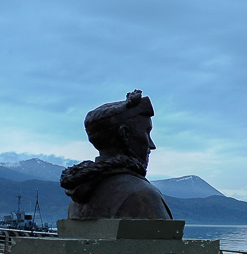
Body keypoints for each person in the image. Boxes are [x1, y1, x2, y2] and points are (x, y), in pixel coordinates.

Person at [60, 90, 173, 219]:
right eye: (147, 132)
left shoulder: (78, 200)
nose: (152, 145)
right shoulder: (142, 196)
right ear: (125, 134)